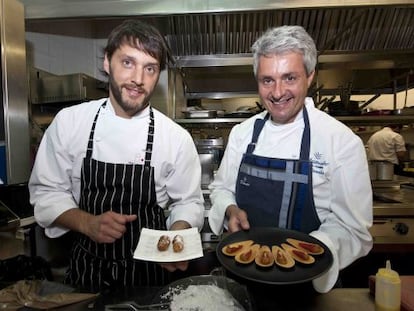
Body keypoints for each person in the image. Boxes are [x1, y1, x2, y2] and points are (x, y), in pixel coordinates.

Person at [29, 19, 204, 292]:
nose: (138, 78)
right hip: (87, 269)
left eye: (150, 68)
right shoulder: (70, 123)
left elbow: (188, 202)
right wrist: (87, 223)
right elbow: (47, 194)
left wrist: (177, 235)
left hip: (150, 273)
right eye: (128, 63)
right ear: (107, 62)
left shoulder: (174, 137)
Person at [208, 25, 373, 294]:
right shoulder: (243, 133)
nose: (277, 92)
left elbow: (354, 229)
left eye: (289, 78)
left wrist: (310, 253)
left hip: (308, 286)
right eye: (267, 80)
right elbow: (221, 189)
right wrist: (229, 210)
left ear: (310, 77)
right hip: (243, 278)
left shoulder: (340, 141)